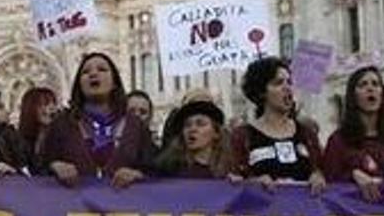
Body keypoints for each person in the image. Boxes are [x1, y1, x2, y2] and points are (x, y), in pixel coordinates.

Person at [37, 52, 155, 188]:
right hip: (74, 205)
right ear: (79, 84)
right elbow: (39, 168)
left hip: (123, 206)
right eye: (85, 72)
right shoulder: (61, 123)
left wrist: (136, 175)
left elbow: (155, 173)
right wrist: (55, 166)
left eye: (102, 69)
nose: (93, 74)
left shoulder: (136, 126)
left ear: (114, 82)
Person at [229, 56, 325, 192]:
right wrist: (252, 183)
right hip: (262, 211)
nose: (287, 88)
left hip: (303, 211)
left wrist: (318, 175)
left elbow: (323, 170)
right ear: (261, 92)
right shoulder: (241, 136)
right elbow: (233, 181)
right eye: (278, 83)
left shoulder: (307, 133)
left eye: (289, 82)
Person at [321, 66, 384, 200]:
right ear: (353, 96)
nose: (370, 88)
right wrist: (353, 175)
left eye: (376, 84)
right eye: (363, 85)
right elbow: (329, 184)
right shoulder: (338, 140)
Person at [154, 99, 234, 179]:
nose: (192, 129)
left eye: (200, 124)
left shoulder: (229, 169)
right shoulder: (168, 169)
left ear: (216, 133)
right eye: (187, 125)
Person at [17, 86, 59, 164]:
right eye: (45, 104)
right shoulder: (19, 140)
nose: (52, 108)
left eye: (54, 103)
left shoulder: (60, 137)